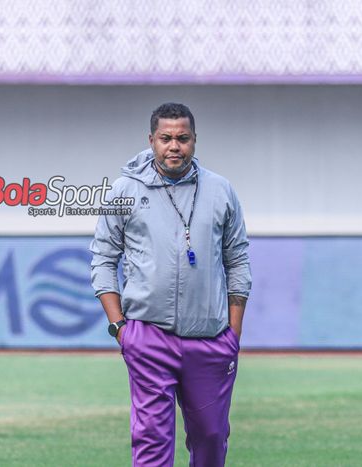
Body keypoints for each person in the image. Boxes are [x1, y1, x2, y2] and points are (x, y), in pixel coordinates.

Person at [90, 102, 251, 467]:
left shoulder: (221, 190)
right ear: (152, 140)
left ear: (195, 141)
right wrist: (120, 327)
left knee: (211, 439)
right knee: (151, 441)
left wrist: (233, 332)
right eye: (166, 138)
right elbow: (103, 258)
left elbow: (238, 260)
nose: (174, 146)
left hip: (210, 340)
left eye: (183, 138)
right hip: (148, 337)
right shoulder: (123, 190)